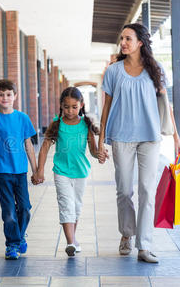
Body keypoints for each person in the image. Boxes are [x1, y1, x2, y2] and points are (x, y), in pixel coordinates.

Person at [98, 23, 180, 263]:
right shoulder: (114, 71)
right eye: (122, 39)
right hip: (121, 136)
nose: (123, 43)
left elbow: (166, 106)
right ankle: (127, 234)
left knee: (147, 190)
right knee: (124, 190)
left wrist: (177, 138)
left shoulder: (155, 70)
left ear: (140, 43)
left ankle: (144, 245)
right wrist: (101, 139)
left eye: (128, 38)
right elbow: (106, 106)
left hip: (149, 137)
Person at [34, 87, 102, 257]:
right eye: (66, 107)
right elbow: (44, 148)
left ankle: (73, 239)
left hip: (81, 172)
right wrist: (39, 170)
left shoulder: (86, 124)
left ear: (81, 105)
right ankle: (70, 242)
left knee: (76, 207)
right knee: (66, 204)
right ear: (61, 106)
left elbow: (93, 150)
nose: (70, 111)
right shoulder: (57, 124)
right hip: (61, 171)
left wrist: (100, 154)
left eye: (74, 107)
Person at [0, 79, 38, 260]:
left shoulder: (22, 118)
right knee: (8, 211)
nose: (5, 98)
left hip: (20, 171)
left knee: (24, 208)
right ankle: (12, 245)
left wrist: (36, 169)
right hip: (2, 171)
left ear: (15, 96)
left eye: (8, 94)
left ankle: (19, 237)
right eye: (1, 95)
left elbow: (29, 145)